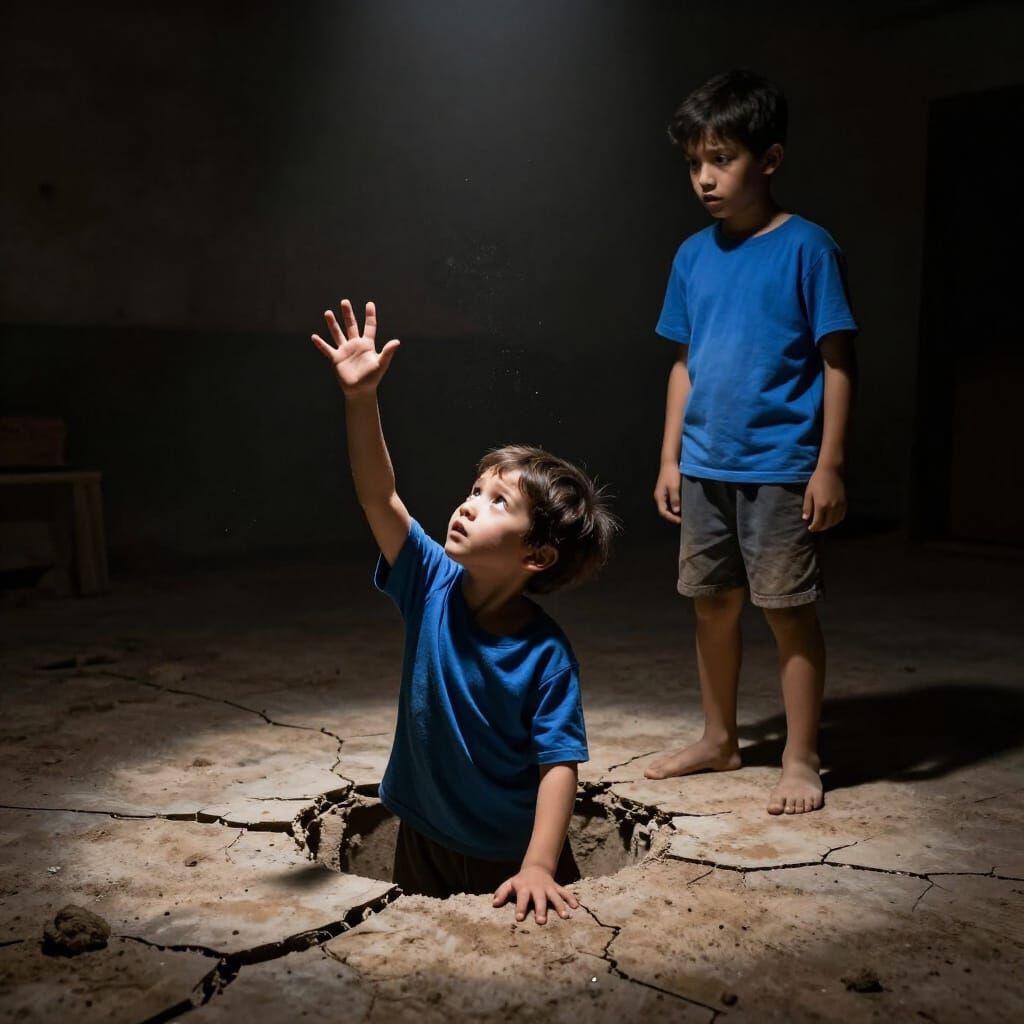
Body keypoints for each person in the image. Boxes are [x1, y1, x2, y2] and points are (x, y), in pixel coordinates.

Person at [311, 298, 616, 922]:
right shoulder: (429, 580)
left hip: (505, 856)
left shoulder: (547, 657)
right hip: (421, 835)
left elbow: (559, 765)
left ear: (537, 555)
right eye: (475, 490)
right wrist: (360, 399)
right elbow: (378, 495)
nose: (471, 505)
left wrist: (538, 864)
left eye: (499, 501)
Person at [647, 69, 858, 815]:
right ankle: (719, 738)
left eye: (722, 160)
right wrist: (671, 457)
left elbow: (837, 362)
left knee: (785, 609)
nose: (705, 178)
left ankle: (802, 756)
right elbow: (684, 364)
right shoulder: (692, 255)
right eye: (695, 163)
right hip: (705, 464)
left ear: (767, 160)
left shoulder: (808, 248)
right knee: (712, 604)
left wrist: (827, 465)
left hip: (779, 469)